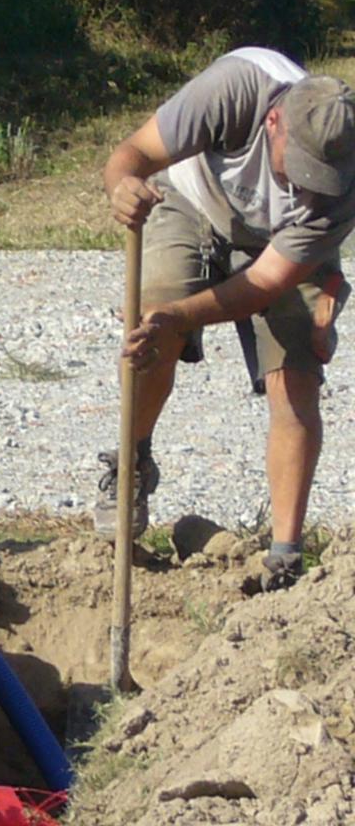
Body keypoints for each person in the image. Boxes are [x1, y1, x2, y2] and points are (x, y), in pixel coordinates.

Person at [98, 45, 355, 591]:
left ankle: (285, 558)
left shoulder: (343, 182)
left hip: (273, 251)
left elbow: (263, 284)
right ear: (273, 122)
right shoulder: (235, 89)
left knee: (297, 377)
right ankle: (131, 462)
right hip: (191, 203)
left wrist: (181, 316)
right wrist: (122, 188)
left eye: (321, 179)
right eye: (301, 168)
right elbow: (132, 155)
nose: (307, 188)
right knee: (151, 325)